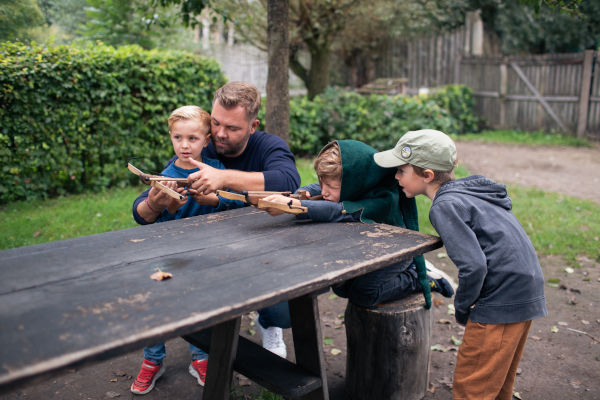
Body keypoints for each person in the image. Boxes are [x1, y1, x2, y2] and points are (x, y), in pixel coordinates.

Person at [131, 82, 300, 394]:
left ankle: (269, 324)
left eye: (232, 128)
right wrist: (154, 202)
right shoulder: (199, 145)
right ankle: (193, 352)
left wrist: (223, 178)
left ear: (253, 126)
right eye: (216, 124)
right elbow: (141, 212)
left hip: (260, 244)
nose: (220, 134)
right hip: (208, 249)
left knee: (283, 307)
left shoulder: (268, 146)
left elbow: (288, 180)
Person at [373, 129, 547, 400]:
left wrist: (463, 306)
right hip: (526, 288)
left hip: (500, 297)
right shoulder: (471, 193)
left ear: (427, 175)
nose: (395, 177)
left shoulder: (445, 205)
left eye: (401, 171)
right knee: (498, 382)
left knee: (472, 388)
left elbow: (474, 266)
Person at [130, 105, 245, 395]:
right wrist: (166, 204)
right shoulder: (165, 176)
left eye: (192, 138)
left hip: (208, 249)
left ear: (206, 139)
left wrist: (215, 198)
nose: (184, 145)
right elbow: (148, 217)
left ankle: (201, 356)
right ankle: (153, 359)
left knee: (203, 303)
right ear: (170, 138)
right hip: (169, 252)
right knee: (158, 300)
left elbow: (236, 201)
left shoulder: (216, 171)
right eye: (177, 138)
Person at [263, 140, 454, 309]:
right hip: (362, 248)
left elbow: (342, 212)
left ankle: (421, 279)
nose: (325, 192)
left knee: (364, 295)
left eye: (333, 187)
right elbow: (318, 187)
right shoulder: (356, 181)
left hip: (396, 252)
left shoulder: (385, 197)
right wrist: (302, 193)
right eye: (323, 184)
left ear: (354, 181)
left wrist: (297, 205)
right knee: (341, 287)